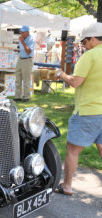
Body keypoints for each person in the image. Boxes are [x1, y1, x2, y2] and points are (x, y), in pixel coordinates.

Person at [54, 22, 102, 196]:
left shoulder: (89, 56)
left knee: (72, 150)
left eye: (84, 41)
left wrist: (61, 74)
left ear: (93, 39)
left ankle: (66, 186)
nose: (83, 45)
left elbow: (75, 82)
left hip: (87, 111)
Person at [14, 25, 35, 102]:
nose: (21, 34)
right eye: (21, 32)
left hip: (27, 60)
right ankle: (18, 96)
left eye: (23, 32)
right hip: (20, 59)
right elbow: (22, 49)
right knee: (18, 78)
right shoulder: (20, 39)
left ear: (27, 32)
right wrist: (17, 50)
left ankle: (26, 97)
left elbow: (29, 51)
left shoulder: (31, 39)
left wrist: (23, 42)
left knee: (26, 79)